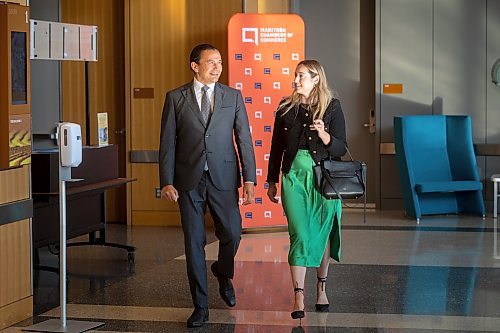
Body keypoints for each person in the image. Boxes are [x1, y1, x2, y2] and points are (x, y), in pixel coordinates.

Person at [159, 44, 256, 328]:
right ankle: (200, 306)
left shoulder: (232, 97)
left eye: (220, 62)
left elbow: (244, 139)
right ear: (195, 66)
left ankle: (223, 271)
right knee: (193, 244)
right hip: (188, 181)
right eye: (211, 62)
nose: (217, 67)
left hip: (223, 178)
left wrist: (249, 178)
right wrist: (166, 181)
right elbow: (167, 143)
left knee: (233, 234)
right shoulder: (175, 98)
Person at [266, 59, 347, 321]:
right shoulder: (285, 107)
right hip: (293, 177)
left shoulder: (332, 107)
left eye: (301, 76)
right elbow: (276, 147)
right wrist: (271, 180)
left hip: (324, 179)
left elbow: (341, 148)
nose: (296, 80)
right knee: (300, 232)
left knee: (321, 234)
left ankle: (321, 287)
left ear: (316, 79)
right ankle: (298, 293)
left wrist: (325, 137)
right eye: (296, 75)